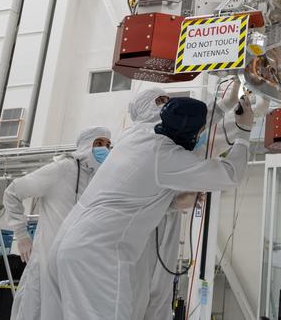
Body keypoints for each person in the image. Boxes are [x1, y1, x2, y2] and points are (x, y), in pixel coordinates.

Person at [41, 88, 262, 320]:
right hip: (98, 254)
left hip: (71, 244)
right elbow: (231, 174)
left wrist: (221, 105)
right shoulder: (168, 157)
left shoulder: (136, 135)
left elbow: (128, 197)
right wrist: (244, 132)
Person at [1, 124, 111, 320]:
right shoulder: (63, 168)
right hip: (47, 263)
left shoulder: (99, 180)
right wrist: (21, 235)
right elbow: (13, 192)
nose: (104, 148)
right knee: (37, 311)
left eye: (108, 145)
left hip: (78, 267)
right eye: (99, 143)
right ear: (86, 144)